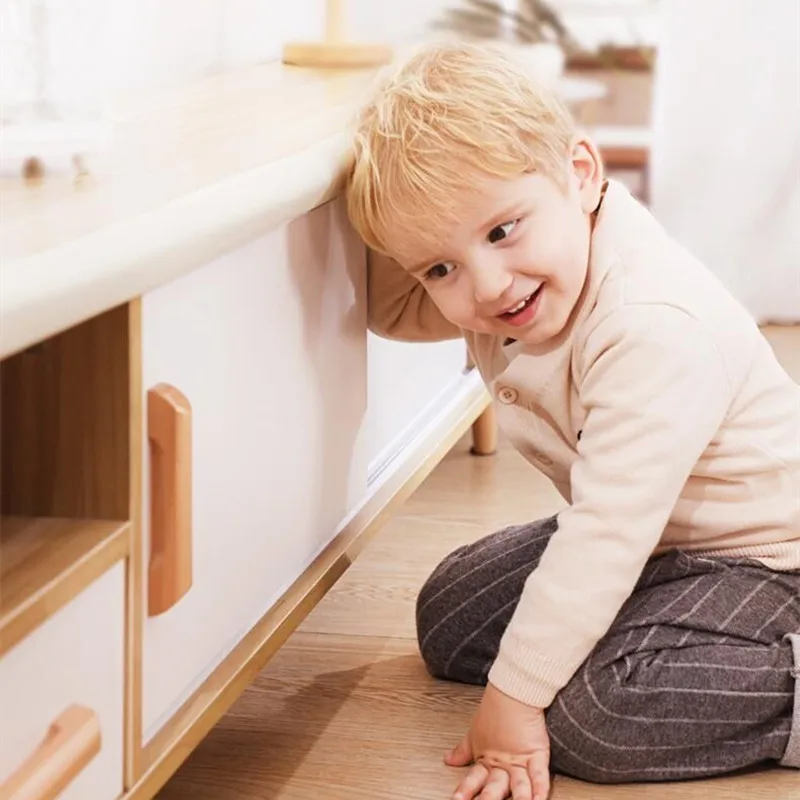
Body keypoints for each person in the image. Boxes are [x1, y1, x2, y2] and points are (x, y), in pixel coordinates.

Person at [343, 40, 800, 800]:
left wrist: (515, 702)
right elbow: (387, 299)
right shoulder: (524, 280)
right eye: (441, 268)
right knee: (450, 614)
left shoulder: (651, 325)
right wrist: (405, 206)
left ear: (582, 175)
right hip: (658, 533)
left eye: (501, 230)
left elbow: (606, 533)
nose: (487, 287)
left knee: (596, 715)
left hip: (769, 554)